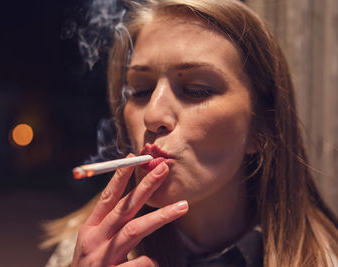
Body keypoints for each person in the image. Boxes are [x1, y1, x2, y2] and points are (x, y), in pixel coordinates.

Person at [43, 0, 338, 266]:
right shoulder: (85, 252)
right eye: (140, 91)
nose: (153, 116)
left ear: (262, 127)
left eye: (196, 90)